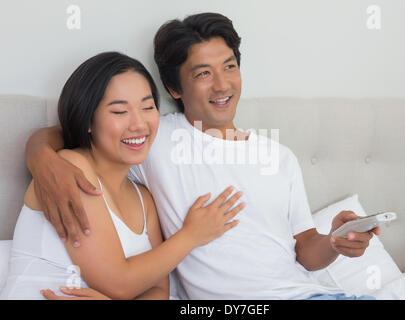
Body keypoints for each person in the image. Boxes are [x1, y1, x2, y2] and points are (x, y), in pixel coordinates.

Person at [25, 13, 379, 300]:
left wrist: (334, 241)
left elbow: (304, 251)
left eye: (229, 67)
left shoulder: (279, 156)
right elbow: (77, 127)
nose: (223, 85)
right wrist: (42, 156)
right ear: (175, 88)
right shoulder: (152, 137)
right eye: (203, 74)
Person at [0, 51, 244, 300]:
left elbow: (159, 291)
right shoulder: (70, 168)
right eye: (119, 112)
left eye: (148, 107)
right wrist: (192, 234)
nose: (139, 124)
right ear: (88, 121)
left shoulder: (143, 199)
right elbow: (118, 284)